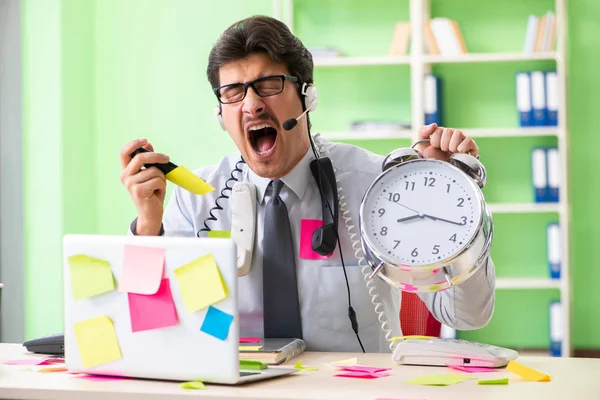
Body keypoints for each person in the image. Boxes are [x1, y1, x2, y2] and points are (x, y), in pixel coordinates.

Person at [119, 15, 495, 353]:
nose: (251, 106)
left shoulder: (376, 187)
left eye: (268, 84)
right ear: (222, 114)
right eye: (233, 93)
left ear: (307, 95)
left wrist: (451, 203)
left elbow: (467, 314)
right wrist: (148, 228)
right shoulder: (197, 197)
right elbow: (152, 325)